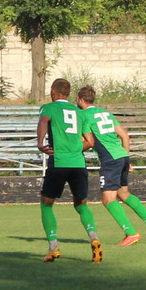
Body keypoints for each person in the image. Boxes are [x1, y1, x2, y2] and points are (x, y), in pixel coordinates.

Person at [78, 86, 146, 246]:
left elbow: (89, 141)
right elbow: (125, 136)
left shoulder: (84, 115)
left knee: (108, 199)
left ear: (80, 99)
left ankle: (130, 232)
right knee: (124, 194)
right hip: (122, 155)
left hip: (110, 159)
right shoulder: (106, 113)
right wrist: (127, 159)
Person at [36, 78, 103, 264]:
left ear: (53, 91)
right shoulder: (79, 112)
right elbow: (90, 142)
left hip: (59, 162)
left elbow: (43, 122)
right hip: (79, 164)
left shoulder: (49, 108)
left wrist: (40, 143)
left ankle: (53, 247)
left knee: (46, 203)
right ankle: (94, 237)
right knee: (82, 204)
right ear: (68, 94)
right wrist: (74, 149)